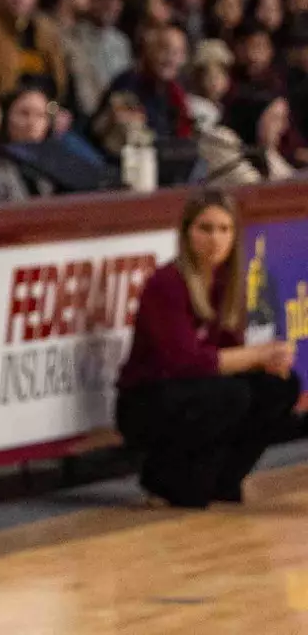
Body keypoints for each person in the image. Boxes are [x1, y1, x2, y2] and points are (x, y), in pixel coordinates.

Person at [116, 191, 299, 508]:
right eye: (206, 228)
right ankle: (163, 476)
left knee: (280, 386)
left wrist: (266, 363)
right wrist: (257, 356)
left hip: (196, 391)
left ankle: (223, 479)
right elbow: (185, 362)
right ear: (187, 233)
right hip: (148, 400)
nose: (215, 239)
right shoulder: (166, 283)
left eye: (224, 229)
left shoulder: (229, 283)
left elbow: (229, 353)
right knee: (230, 395)